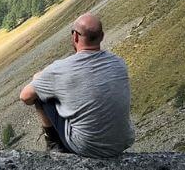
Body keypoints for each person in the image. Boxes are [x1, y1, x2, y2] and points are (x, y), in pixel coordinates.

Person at [18, 13, 134, 158]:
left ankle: (54, 144)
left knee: (40, 90)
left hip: (87, 147)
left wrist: (39, 78)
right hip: (122, 142)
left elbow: (25, 97)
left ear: (75, 37)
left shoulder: (60, 69)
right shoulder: (119, 62)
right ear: (102, 36)